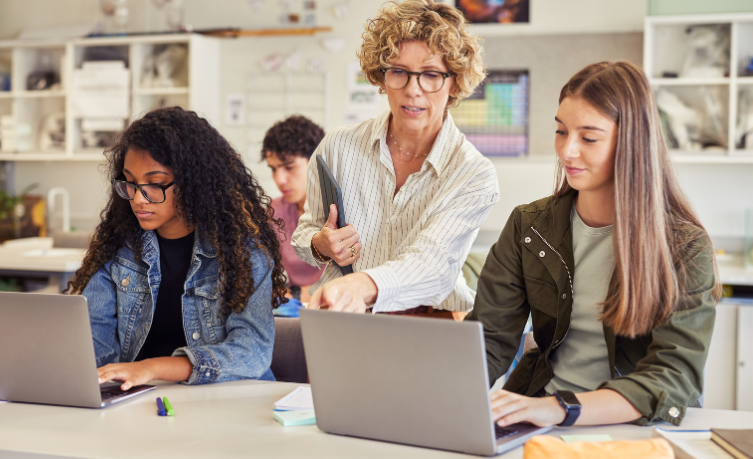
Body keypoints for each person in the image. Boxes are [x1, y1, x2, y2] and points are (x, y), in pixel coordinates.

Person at [467, 61, 720, 427]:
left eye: (588, 138)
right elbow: (489, 341)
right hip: (540, 422)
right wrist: (446, 402)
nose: (567, 151)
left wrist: (560, 408)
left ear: (632, 143)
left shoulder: (683, 247)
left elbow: (672, 375)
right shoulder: (529, 226)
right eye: (560, 131)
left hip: (634, 429)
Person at [292, 0, 499, 317]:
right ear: (381, 74)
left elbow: (431, 263)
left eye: (430, 74)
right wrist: (321, 244)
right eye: (399, 71)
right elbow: (305, 235)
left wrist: (363, 285)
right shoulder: (338, 146)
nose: (413, 90)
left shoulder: (473, 173)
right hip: (345, 316)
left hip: (431, 320)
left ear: (454, 80)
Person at [66, 107, 287, 390]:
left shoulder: (242, 253)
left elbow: (252, 351)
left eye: (155, 184)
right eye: (130, 184)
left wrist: (153, 367)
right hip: (139, 402)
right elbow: (93, 342)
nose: (138, 199)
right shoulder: (118, 249)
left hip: (226, 402)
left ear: (194, 183)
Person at [262, 115, 326, 301]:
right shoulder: (274, 212)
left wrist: (296, 295)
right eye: (273, 169)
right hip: (292, 310)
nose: (279, 179)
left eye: (289, 167)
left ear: (316, 163)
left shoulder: (344, 209)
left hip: (338, 310)